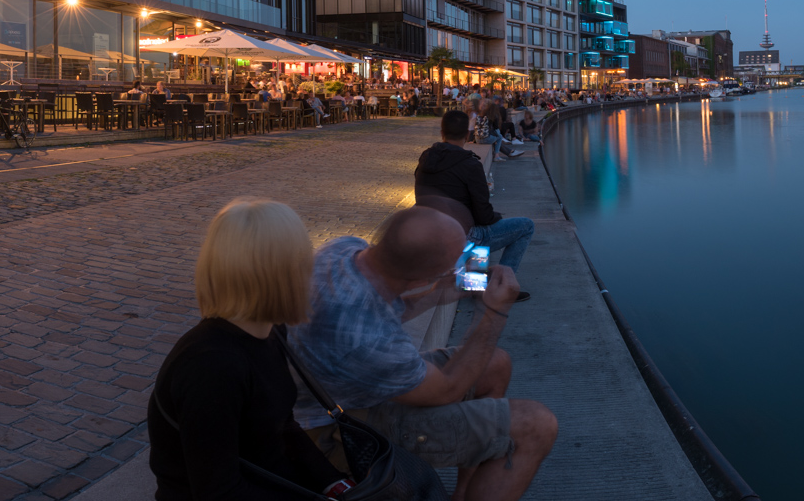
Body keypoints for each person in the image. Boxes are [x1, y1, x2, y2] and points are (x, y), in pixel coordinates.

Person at [290, 208, 557, 501]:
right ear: (420, 279)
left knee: (496, 363)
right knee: (536, 425)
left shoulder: (343, 248)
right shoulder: (367, 340)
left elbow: (390, 301)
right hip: (338, 426)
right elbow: (447, 390)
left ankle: (464, 493)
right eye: (457, 260)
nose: (465, 263)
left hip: (342, 387)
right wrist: (494, 311)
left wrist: (449, 283)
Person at [148, 198, 349, 500]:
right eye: (305, 261)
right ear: (283, 275)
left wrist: (334, 483)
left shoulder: (270, 330)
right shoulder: (212, 366)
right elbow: (218, 490)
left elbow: (281, 426)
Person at [417, 111, 535, 300]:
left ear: (441, 133)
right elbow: (483, 215)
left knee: (476, 227)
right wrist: (495, 216)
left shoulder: (425, 159)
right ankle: (499, 287)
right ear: (466, 135)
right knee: (524, 226)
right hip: (458, 239)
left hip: (429, 236)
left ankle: (475, 285)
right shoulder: (470, 164)